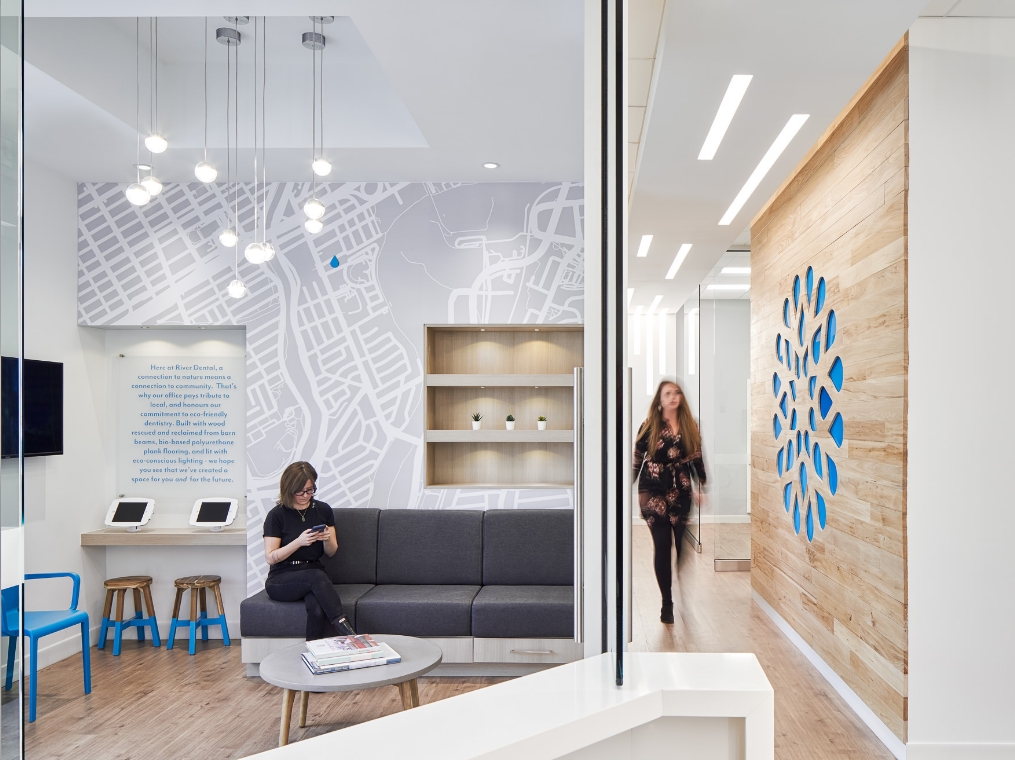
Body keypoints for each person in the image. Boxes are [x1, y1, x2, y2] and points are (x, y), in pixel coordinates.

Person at [633, 380, 706, 625]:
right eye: (667, 393)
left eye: (677, 393)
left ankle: (677, 579)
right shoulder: (649, 426)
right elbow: (637, 458)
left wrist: (701, 486)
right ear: (660, 400)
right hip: (653, 491)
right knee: (663, 545)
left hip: (681, 490)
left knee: (681, 547)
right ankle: (667, 602)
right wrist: (625, 486)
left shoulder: (691, 425)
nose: (673, 397)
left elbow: (696, 457)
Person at [263, 461, 356, 639]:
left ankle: (312, 650)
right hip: (282, 577)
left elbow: (331, 552)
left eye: (310, 490)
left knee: (317, 609)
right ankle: (349, 633)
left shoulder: (323, 510)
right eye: (300, 491)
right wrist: (298, 542)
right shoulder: (276, 515)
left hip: (313, 573)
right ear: (289, 489)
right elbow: (270, 557)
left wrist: (327, 539)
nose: (306, 495)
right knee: (317, 577)